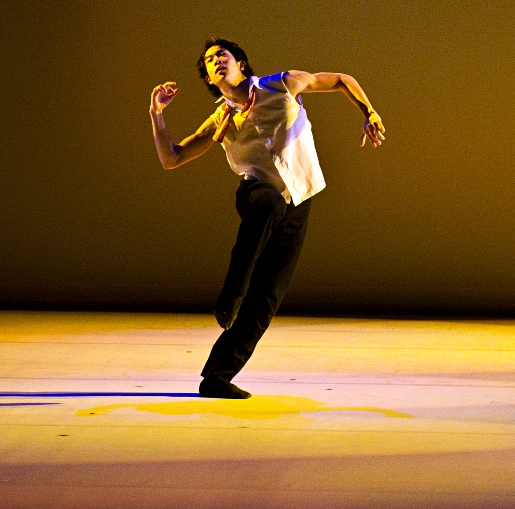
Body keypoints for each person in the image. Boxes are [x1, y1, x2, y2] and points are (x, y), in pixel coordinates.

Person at [150, 38, 385, 399]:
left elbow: (340, 80)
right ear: (210, 80)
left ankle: (216, 377)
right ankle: (232, 292)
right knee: (269, 204)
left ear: (240, 63)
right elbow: (172, 158)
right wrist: (157, 114)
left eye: (222, 55)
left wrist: (369, 112)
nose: (216, 60)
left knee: (267, 297)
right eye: (209, 61)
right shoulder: (220, 120)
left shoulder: (282, 84)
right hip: (257, 195)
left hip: (299, 200)